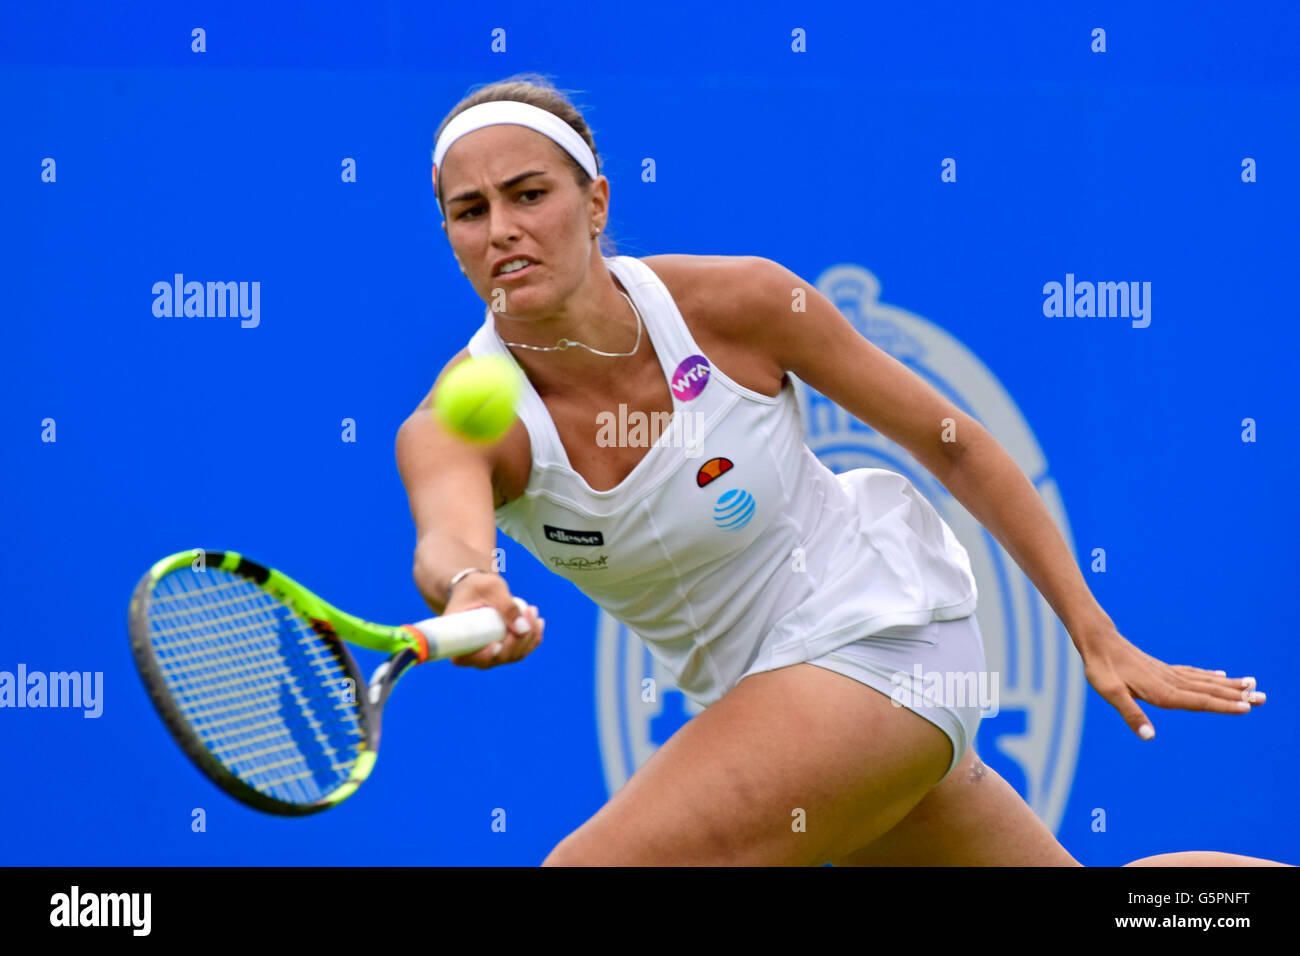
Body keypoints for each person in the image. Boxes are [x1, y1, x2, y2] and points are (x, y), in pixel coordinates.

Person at [396, 74, 1281, 867]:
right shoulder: (461, 419)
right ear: (450, 235)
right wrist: (474, 586)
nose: (502, 229)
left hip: (880, 638)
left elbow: (951, 441)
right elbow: (448, 536)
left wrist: (1095, 633)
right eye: (470, 211)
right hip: (782, 710)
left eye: (528, 194)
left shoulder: (738, 305)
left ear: (595, 204)